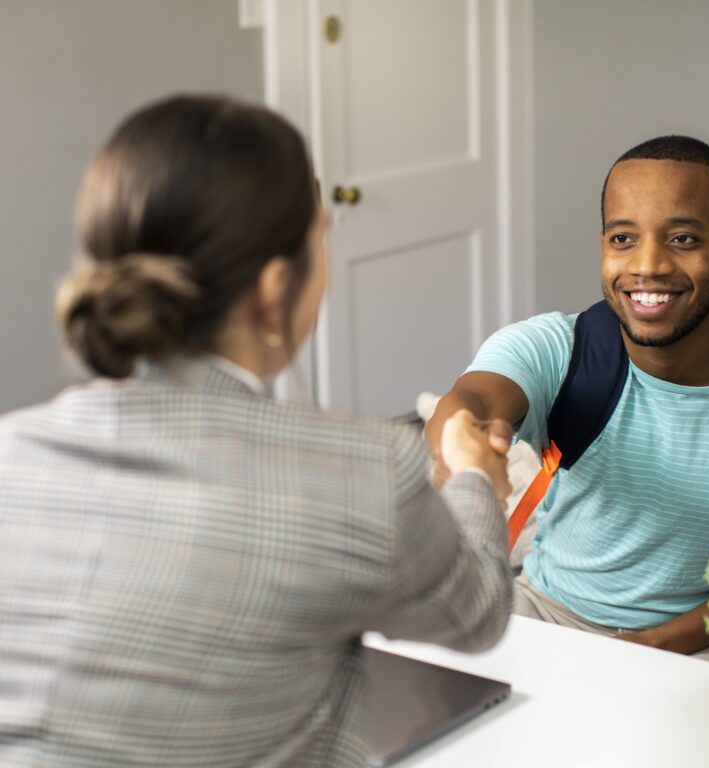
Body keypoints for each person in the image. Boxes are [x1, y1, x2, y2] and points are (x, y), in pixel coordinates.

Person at [0, 95, 513, 767]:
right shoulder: (365, 474)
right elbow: (477, 614)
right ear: (273, 289)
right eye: (322, 235)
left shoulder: (11, 452)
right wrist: (473, 477)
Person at [425, 135, 709, 667]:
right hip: (547, 613)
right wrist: (463, 435)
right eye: (623, 238)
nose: (648, 265)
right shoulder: (557, 347)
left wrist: (654, 647)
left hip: (700, 641)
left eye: (682, 239)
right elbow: (472, 397)